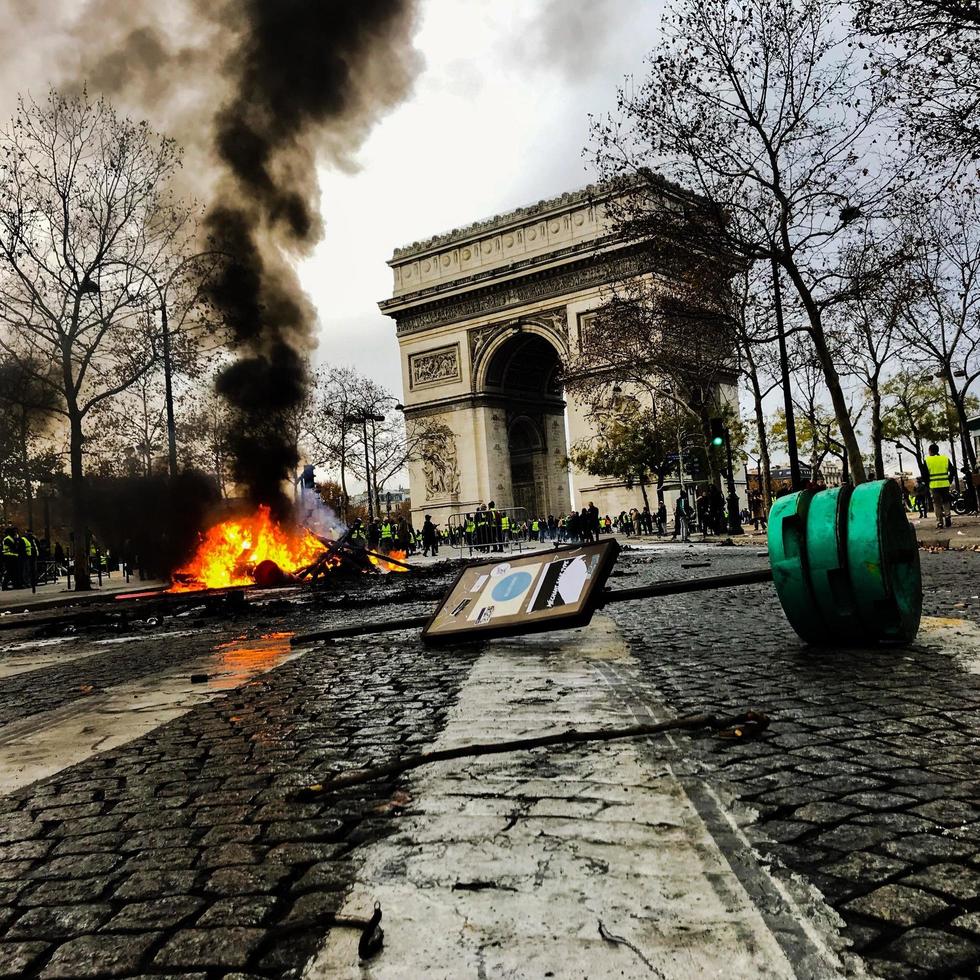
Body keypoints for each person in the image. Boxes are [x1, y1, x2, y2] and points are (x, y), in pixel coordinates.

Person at [925, 443, 953, 530]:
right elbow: (952, 470)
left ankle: (939, 522)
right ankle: (947, 515)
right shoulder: (945, 458)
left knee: (937, 504)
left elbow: (925, 475)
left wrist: (928, 484)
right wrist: (949, 480)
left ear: (930, 451)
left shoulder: (927, 460)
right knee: (946, 501)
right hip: (945, 484)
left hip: (934, 485)